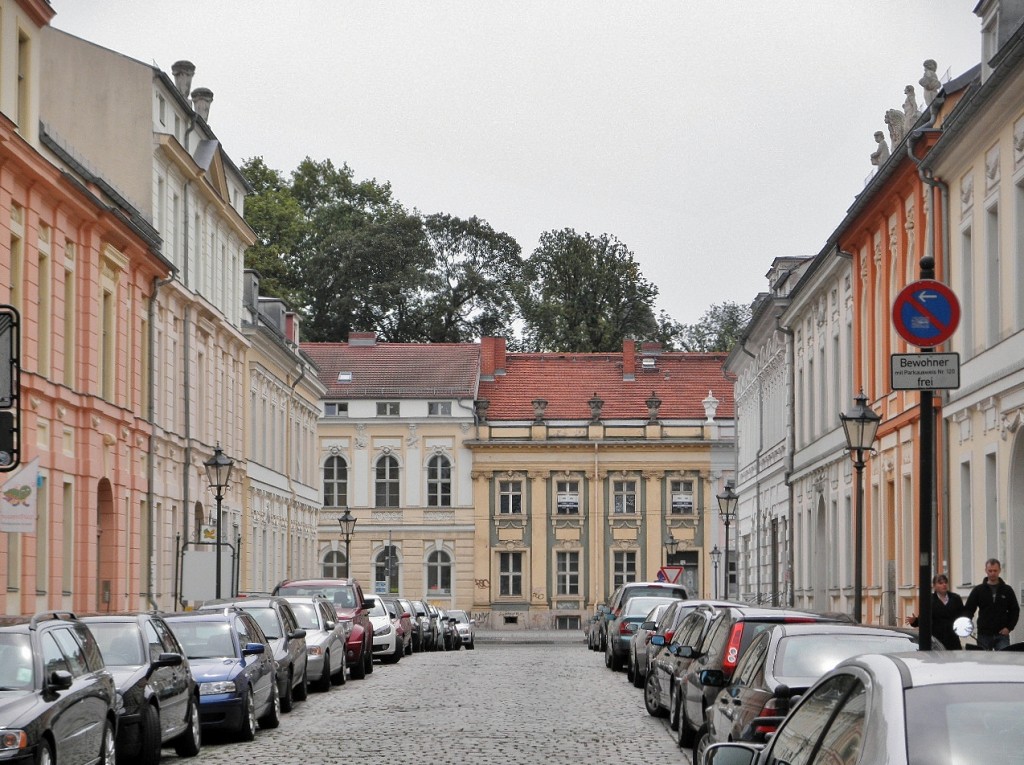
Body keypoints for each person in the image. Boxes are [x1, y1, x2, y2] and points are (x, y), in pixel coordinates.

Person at [963, 558, 1020, 650]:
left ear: (999, 570)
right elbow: (969, 609)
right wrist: (965, 626)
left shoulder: (1007, 590)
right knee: (984, 662)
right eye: (990, 570)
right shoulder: (978, 590)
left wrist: (1009, 628)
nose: (992, 573)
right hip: (984, 635)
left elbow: (1014, 610)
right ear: (986, 570)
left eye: (995, 570)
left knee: (1003, 660)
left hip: (1002, 634)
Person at [906, 573, 963, 649]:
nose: (944, 585)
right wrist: (914, 621)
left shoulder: (955, 598)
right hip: (936, 640)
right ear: (934, 586)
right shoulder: (929, 600)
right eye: (940, 583)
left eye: (945, 582)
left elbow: (962, 616)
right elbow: (923, 620)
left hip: (952, 639)